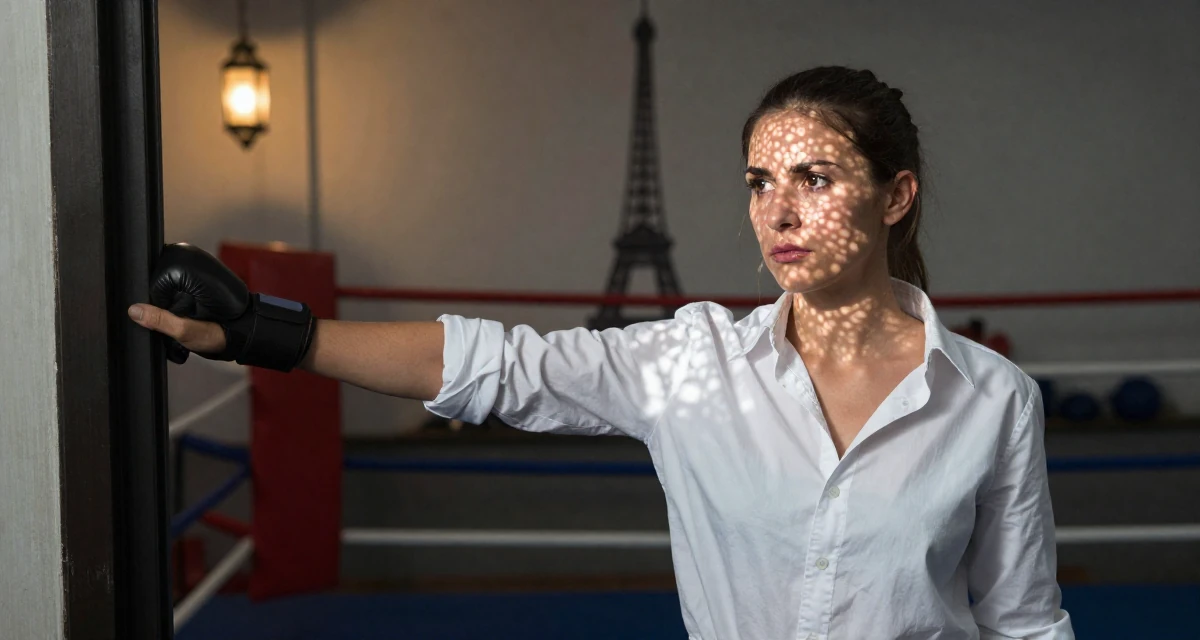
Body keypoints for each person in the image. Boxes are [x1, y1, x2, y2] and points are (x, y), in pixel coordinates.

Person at [130, 66, 1074, 639]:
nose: (778, 212)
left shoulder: (991, 399)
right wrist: (259, 329)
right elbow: (492, 364)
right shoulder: (692, 364)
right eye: (758, 182)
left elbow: (1024, 622)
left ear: (894, 196)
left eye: (815, 178)